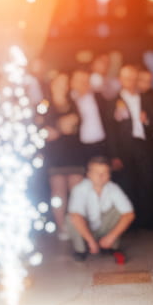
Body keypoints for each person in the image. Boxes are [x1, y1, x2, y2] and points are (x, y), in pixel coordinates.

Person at [112, 65, 153, 229]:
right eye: (126, 78)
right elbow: (111, 130)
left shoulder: (145, 98)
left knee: (146, 181)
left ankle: (147, 221)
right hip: (124, 147)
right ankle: (131, 223)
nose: (130, 81)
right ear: (120, 80)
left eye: (133, 78)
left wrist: (147, 120)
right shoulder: (114, 101)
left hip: (143, 144)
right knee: (127, 183)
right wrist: (114, 154)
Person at [66, 156, 135, 263]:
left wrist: (111, 237)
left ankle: (111, 247)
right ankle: (81, 250)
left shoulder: (113, 188)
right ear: (88, 175)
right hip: (86, 229)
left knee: (120, 212)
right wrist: (91, 241)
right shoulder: (79, 189)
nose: (101, 176)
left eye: (104, 173)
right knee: (70, 218)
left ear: (109, 175)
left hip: (104, 229)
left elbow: (129, 214)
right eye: (96, 173)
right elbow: (75, 216)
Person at [43, 72, 85, 240]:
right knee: (58, 193)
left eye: (66, 82)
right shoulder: (45, 105)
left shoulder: (73, 103)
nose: (64, 86)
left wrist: (60, 127)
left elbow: (75, 125)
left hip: (73, 151)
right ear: (52, 84)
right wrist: (61, 126)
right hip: (55, 154)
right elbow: (46, 131)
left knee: (77, 191)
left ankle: (78, 226)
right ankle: (62, 228)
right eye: (60, 82)